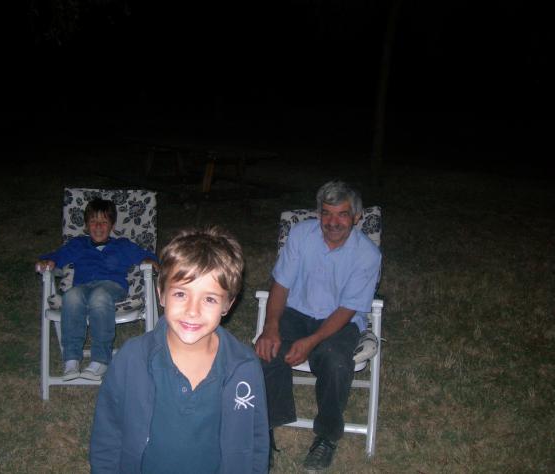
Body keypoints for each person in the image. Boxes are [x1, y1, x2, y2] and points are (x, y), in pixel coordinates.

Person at [90, 227, 269, 474]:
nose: (193, 311)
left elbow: (256, 441)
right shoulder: (132, 359)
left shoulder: (244, 367)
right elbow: (107, 433)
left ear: (228, 304)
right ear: (161, 293)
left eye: (209, 299)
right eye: (181, 294)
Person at [255, 180, 381, 472]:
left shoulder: (368, 255)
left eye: (342, 214)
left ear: (356, 217)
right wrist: (271, 326)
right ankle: (266, 430)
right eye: (327, 213)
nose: (333, 222)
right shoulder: (301, 235)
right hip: (296, 312)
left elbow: (348, 308)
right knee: (267, 350)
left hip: (340, 320)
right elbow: (281, 284)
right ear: (318, 213)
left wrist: (311, 341)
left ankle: (326, 436)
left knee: (335, 361)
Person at [36, 198, 158, 381]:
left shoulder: (122, 245)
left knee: (99, 296)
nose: (99, 226)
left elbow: (147, 256)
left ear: (112, 226)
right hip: (83, 287)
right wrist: (48, 261)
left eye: (104, 222)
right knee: (71, 296)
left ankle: (100, 360)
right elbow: (57, 256)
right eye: (93, 221)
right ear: (86, 225)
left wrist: (150, 261)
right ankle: (71, 360)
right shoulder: (78, 244)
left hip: (111, 287)